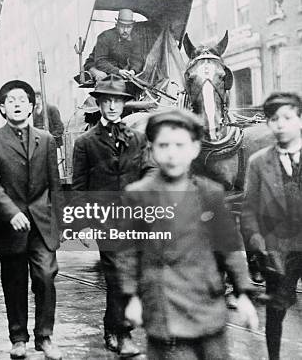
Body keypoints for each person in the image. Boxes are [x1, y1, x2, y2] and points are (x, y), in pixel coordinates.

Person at [119, 109, 258, 360]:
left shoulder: (210, 193)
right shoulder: (138, 194)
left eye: (180, 145)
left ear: (195, 149)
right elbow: (128, 253)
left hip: (206, 304)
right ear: (151, 149)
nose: (172, 153)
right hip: (164, 307)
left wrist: (244, 294)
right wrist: (131, 297)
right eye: (163, 145)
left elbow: (229, 245)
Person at [0, 80, 62, 360]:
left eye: (22, 100)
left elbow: (55, 184)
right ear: (2, 108)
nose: (17, 104)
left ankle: (45, 337)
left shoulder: (46, 139)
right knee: (14, 282)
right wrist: (11, 212)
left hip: (41, 224)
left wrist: (60, 222)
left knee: (46, 276)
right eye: (10, 100)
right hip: (10, 226)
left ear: (31, 106)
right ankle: (18, 338)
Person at [71, 75, 148, 357]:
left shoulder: (138, 139)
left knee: (132, 274)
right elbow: (79, 187)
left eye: (118, 101)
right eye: (108, 101)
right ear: (100, 104)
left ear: (124, 104)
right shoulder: (85, 142)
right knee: (118, 274)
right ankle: (124, 333)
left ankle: (110, 326)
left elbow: (148, 171)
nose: (113, 106)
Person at [240, 92, 302, 360]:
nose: (281, 124)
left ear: (300, 120)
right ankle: (274, 356)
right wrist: (258, 243)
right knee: (276, 312)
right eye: (274, 119)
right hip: (278, 251)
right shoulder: (258, 162)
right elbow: (249, 210)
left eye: (288, 117)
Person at [83, 9, 144, 82]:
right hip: (96, 66)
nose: (125, 30)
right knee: (103, 78)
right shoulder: (105, 37)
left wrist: (133, 71)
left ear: (132, 26)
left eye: (128, 27)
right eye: (122, 26)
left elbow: (137, 59)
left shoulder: (135, 39)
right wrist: (118, 71)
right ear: (116, 25)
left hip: (118, 69)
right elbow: (100, 61)